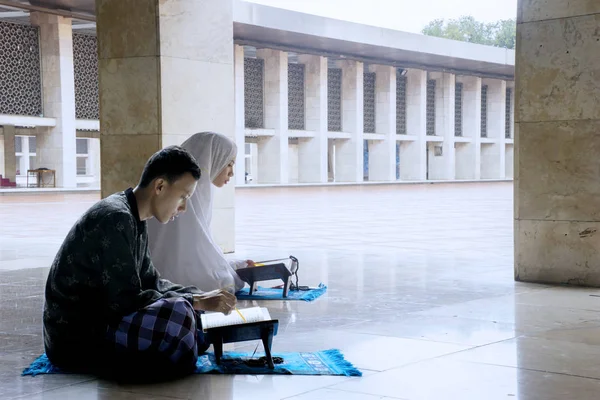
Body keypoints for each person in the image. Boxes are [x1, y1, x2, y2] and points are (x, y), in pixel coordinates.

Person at [42, 146, 237, 381]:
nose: (184, 208)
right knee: (180, 313)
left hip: (103, 325)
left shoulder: (135, 217)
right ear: (160, 186)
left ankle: (178, 350)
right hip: (75, 339)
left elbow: (151, 281)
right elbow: (124, 301)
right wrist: (193, 301)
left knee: (189, 313)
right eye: (183, 197)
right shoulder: (115, 218)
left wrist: (201, 296)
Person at [148, 132, 254, 294]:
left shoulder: (199, 189)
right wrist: (229, 271)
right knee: (222, 285)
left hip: (163, 273)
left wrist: (232, 265)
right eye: (229, 164)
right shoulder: (188, 192)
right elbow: (192, 262)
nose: (231, 173)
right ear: (212, 160)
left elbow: (196, 249)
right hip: (164, 279)